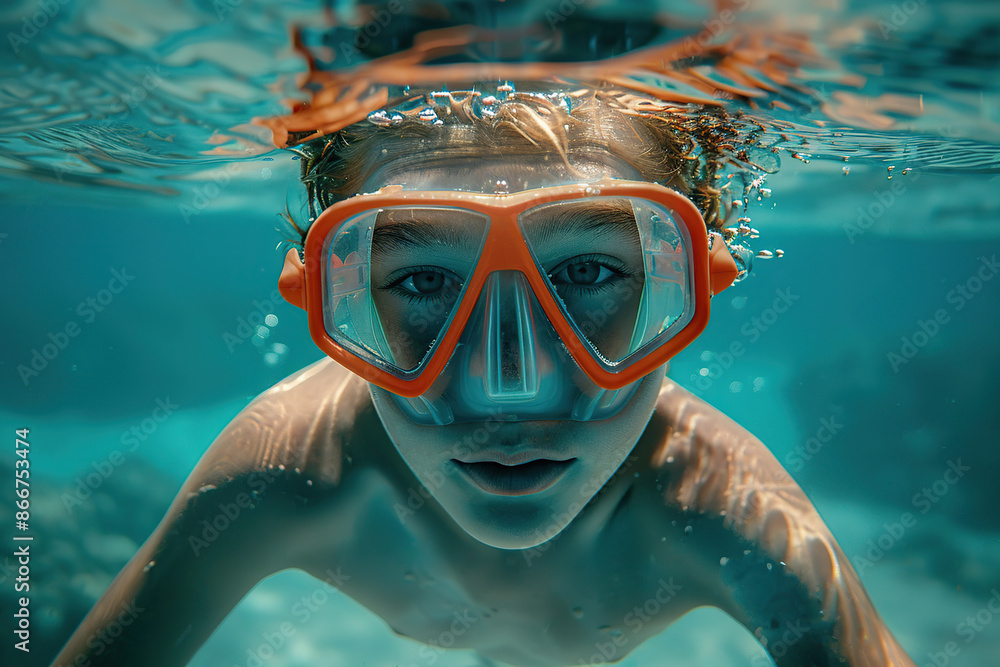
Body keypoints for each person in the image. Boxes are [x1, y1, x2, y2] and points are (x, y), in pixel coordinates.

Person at [51, 81, 916, 667]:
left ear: (696, 287)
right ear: (328, 306)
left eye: (586, 274)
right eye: (422, 281)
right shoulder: (282, 469)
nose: (511, 387)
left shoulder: (732, 511)